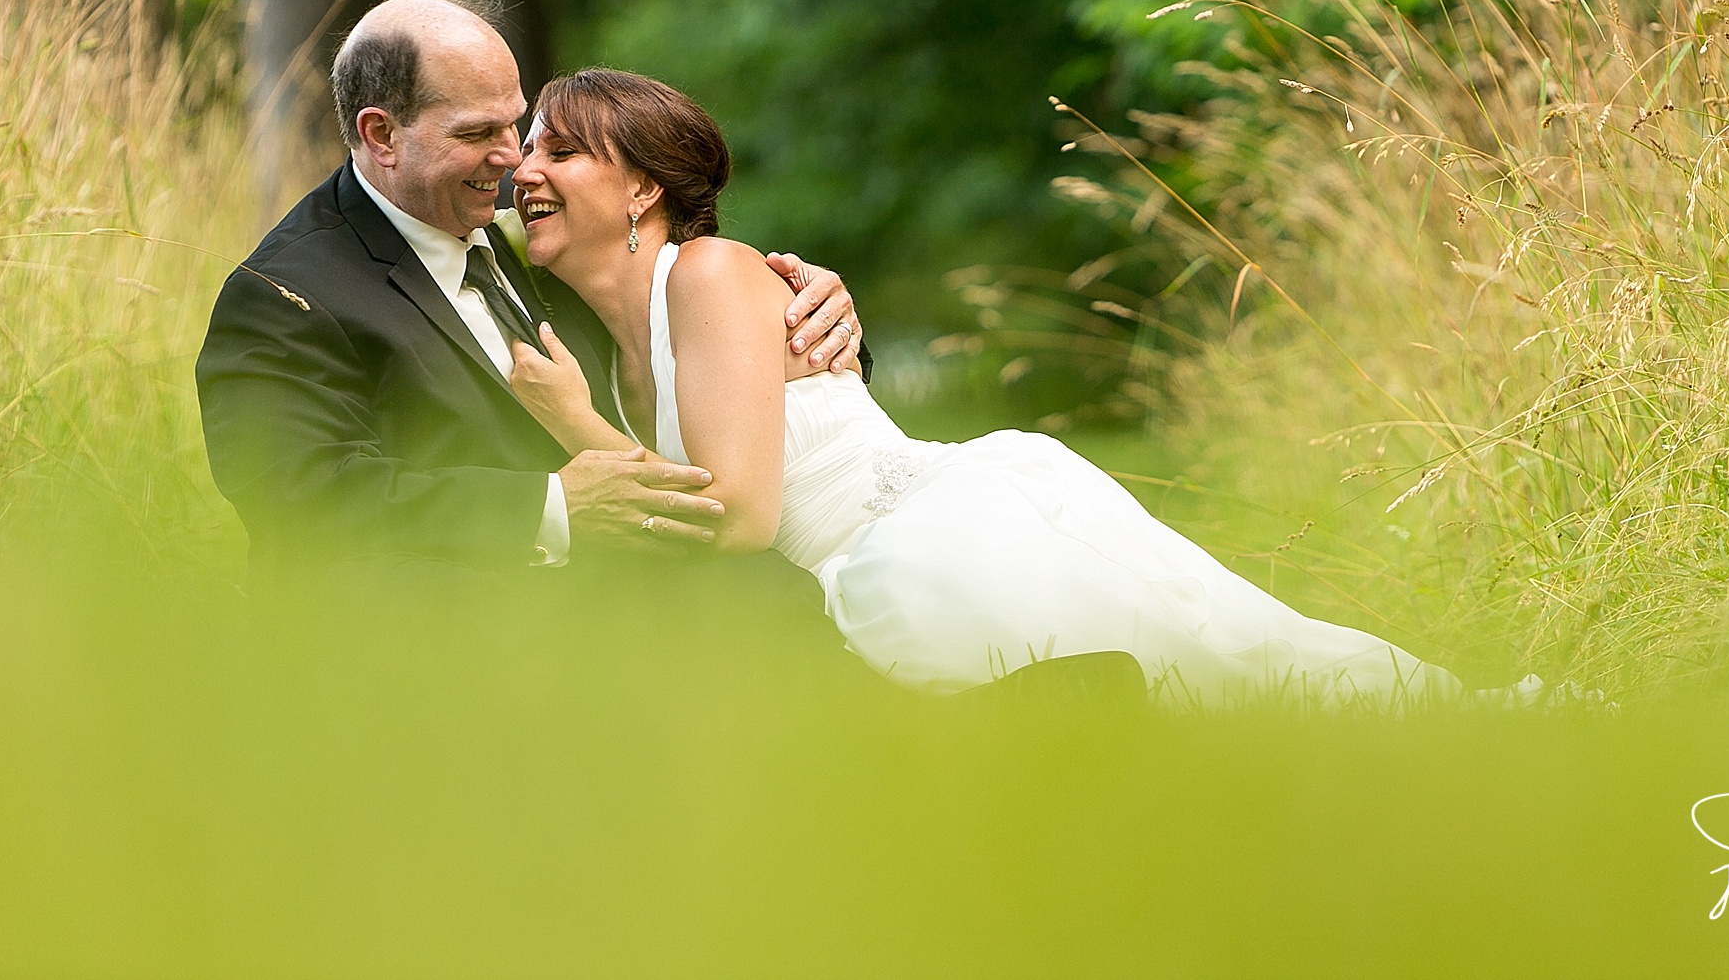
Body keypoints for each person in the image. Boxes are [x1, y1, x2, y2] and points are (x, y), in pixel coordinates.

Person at [502, 68, 1465, 711]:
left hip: (932, 539)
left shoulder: (709, 272)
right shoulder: (597, 329)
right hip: (832, 582)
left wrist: (574, 422)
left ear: (641, 191)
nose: (523, 172)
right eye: (524, 151)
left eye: (558, 152)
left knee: (1225, 683)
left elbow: (743, 516)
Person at [194, 0, 865, 575]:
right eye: (479, 131)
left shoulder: (547, 243)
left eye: (515, 120)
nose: (515, 156)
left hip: (682, 598)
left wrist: (817, 313)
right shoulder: (284, 295)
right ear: (382, 135)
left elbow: (719, 350)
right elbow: (304, 497)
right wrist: (550, 507)